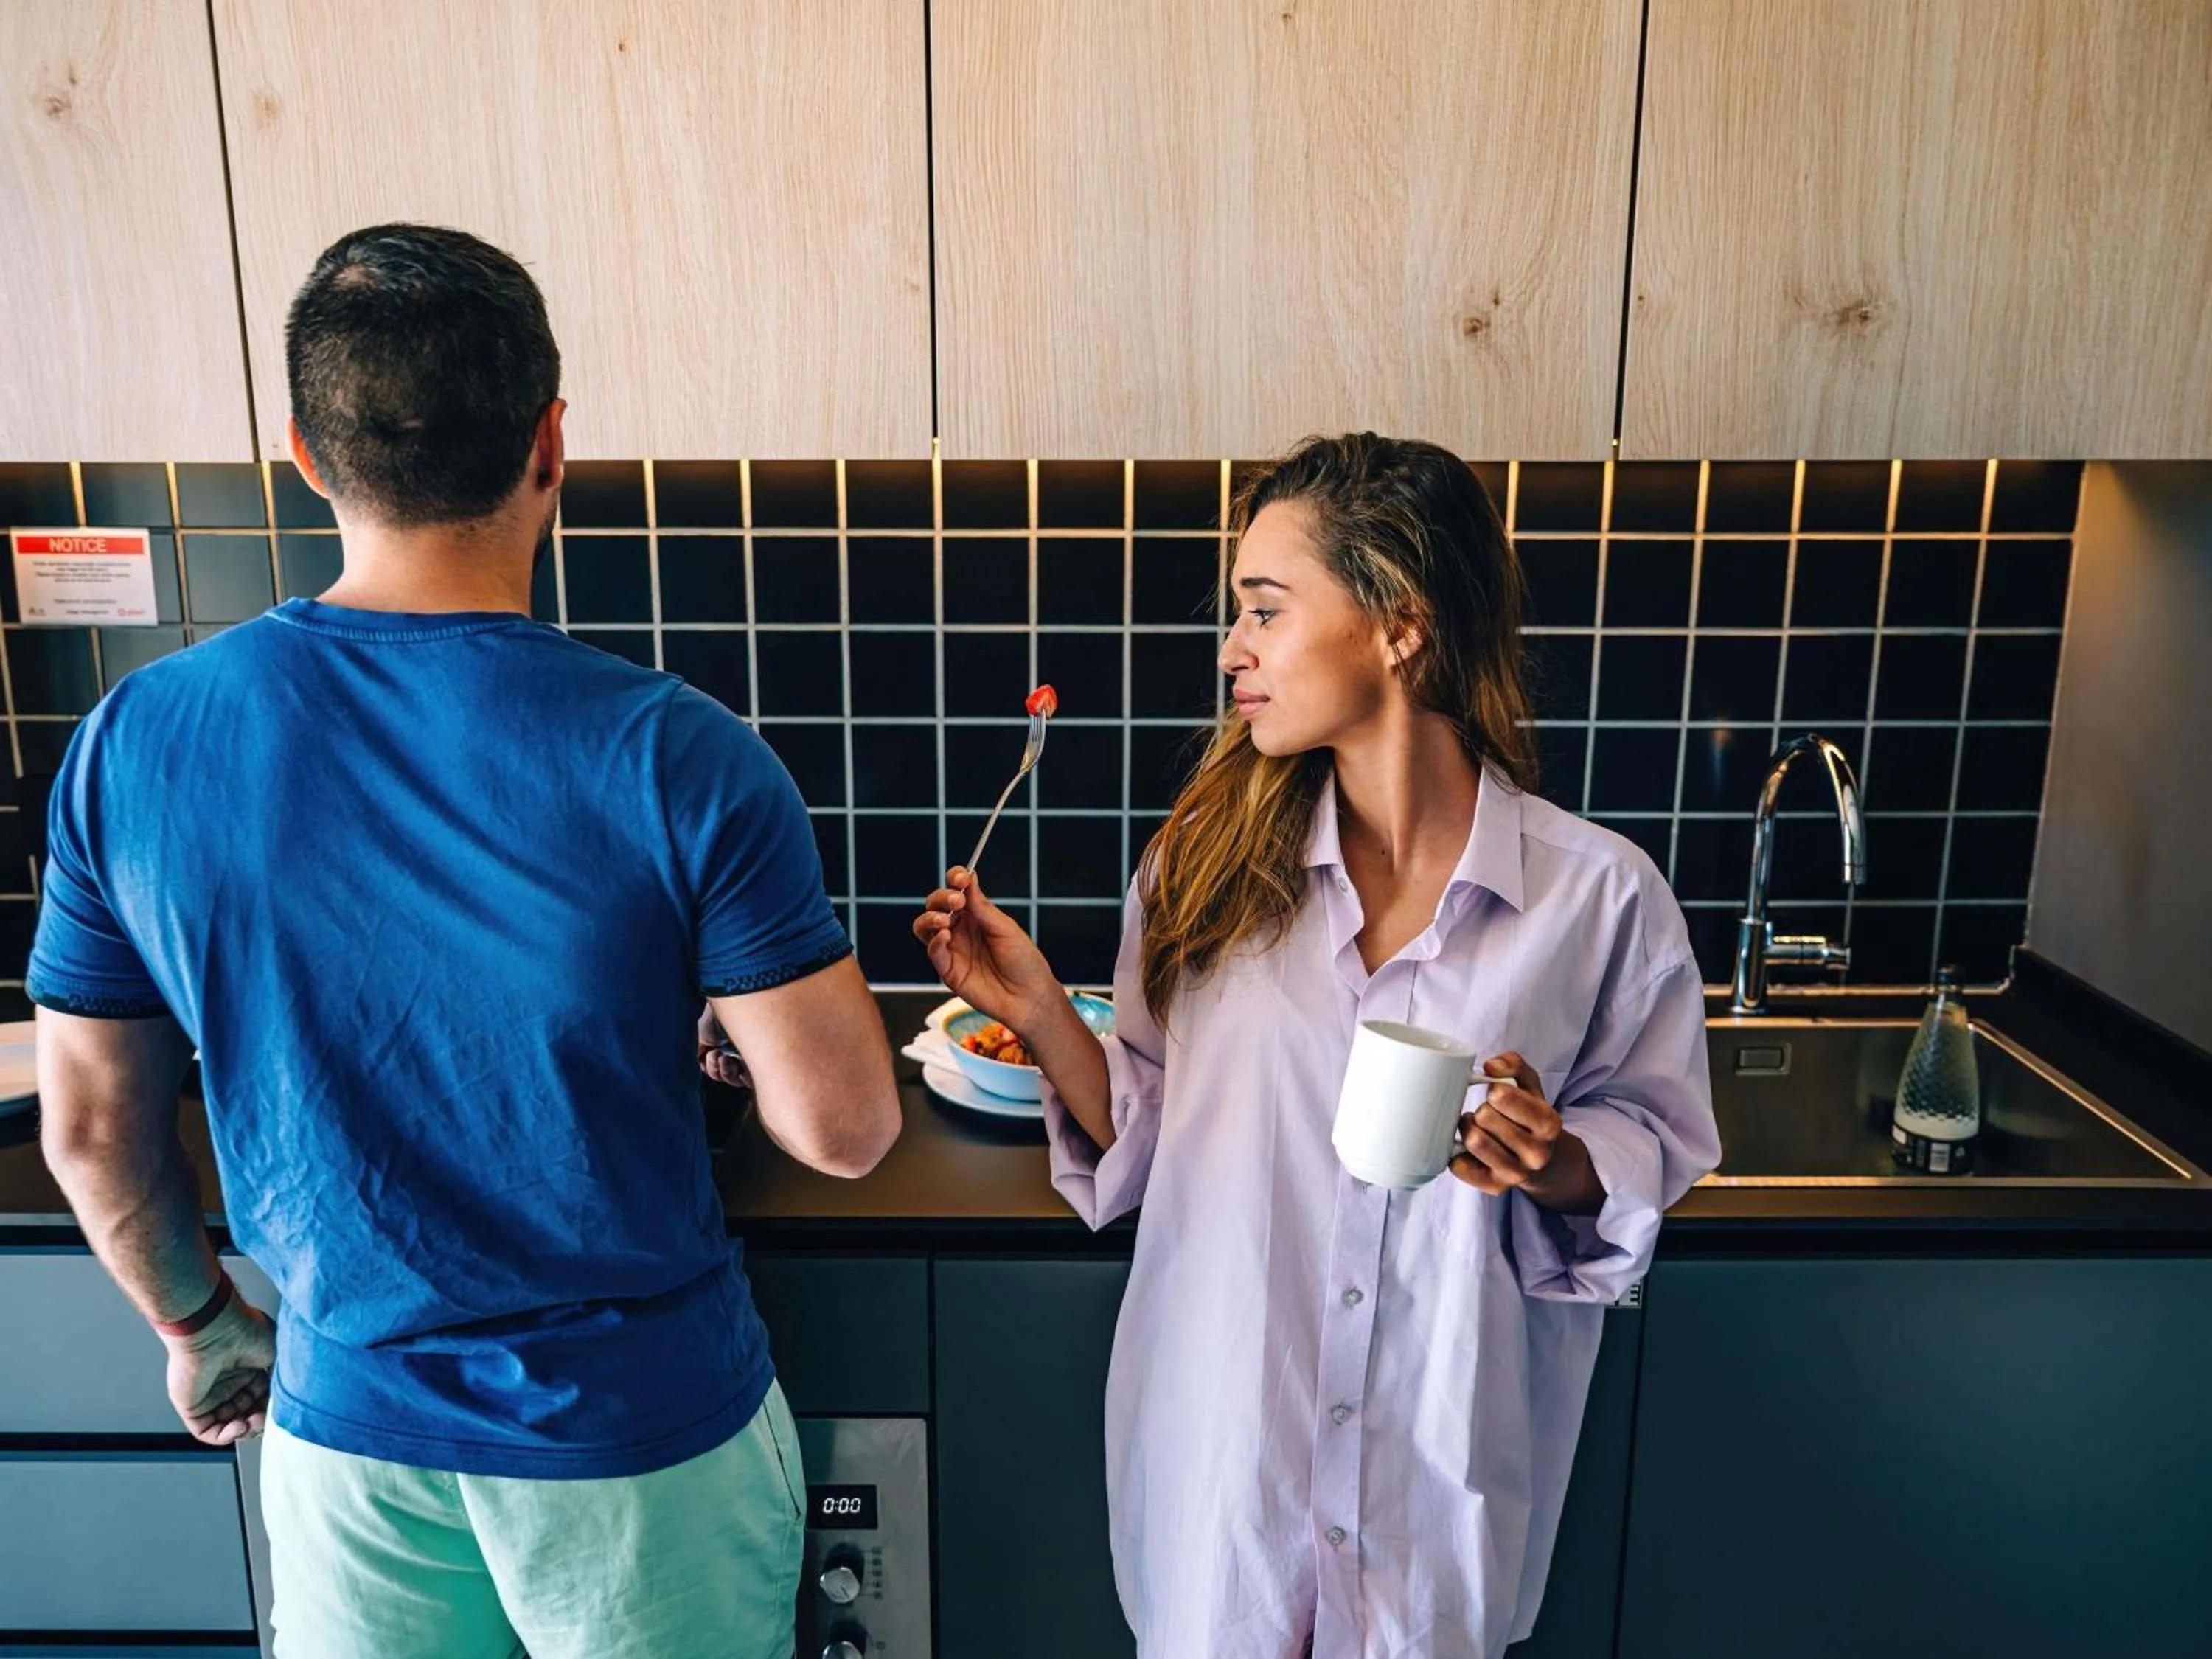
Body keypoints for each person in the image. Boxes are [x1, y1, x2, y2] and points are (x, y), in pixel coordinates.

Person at [29, 223, 900, 1659]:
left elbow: (91, 1130)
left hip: (348, 1443)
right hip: (648, 1447)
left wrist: (200, 1328)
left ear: (307, 454)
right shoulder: (679, 756)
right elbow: (849, 1128)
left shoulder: (138, 741)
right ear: (551, 443)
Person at [916, 433, 1719, 1658]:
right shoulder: (1202, 870)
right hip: (1225, 1491)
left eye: (1266, 609)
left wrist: (1549, 1150)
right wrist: (1036, 1012)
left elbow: (1651, 1143)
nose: (1234, 647)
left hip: (1435, 1506)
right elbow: (1151, 1130)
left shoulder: (1600, 902)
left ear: (1399, 624)